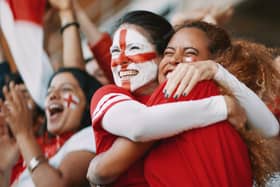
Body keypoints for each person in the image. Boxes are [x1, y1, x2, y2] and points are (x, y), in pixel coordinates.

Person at [88, 13, 278, 186]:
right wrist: (222, 106)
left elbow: (270, 129)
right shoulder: (109, 94)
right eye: (114, 51)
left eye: (134, 48)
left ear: (158, 56)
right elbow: (140, 126)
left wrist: (218, 71)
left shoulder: (200, 88)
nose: (119, 60)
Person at [0, 0, 101, 186]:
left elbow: (57, 185)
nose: (53, 96)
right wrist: (4, 170)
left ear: (88, 103)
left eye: (65, 91)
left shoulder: (91, 136)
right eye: (49, 92)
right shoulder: (26, 154)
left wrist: (67, 13)